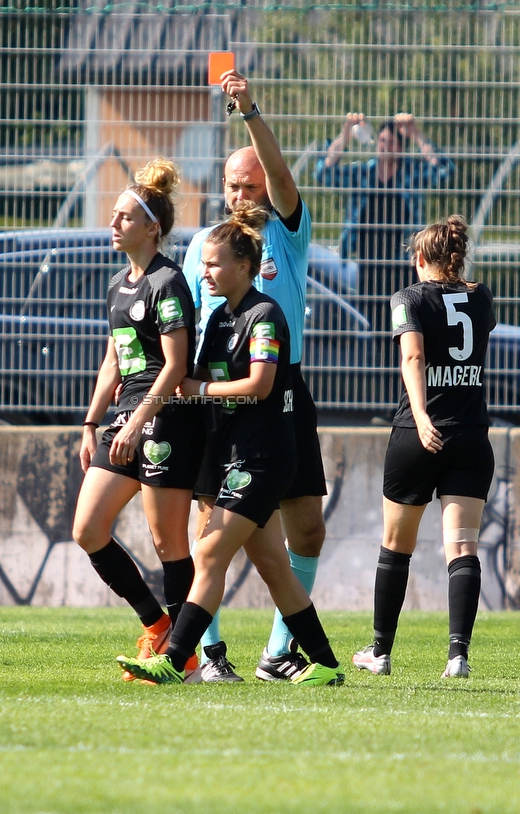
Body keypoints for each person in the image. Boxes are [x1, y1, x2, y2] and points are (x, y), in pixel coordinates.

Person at [116, 204, 344, 687]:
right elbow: (187, 376)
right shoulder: (219, 319)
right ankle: (324, 665)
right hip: (232, 457)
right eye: (204, 264)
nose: (206, 272)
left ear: (245, 265)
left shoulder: (265, 315)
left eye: (215, 264)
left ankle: (174, 661)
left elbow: (259, 385)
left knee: (210, 553)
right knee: (275, 570)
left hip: (264, 459)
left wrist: (198, 390)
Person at [182, 69, 328, 684]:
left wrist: (250, 112)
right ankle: (209, 653)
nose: (243, 195)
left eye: (253, 185)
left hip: (283, 388)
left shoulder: (285, 232)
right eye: (233, 186)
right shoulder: (201, 248)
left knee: (305, 527)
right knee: (212, 525)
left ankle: (281, 651)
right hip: (217, 391)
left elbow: (284, 179)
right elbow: (184, 328)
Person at [72, 159, 204, 681]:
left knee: (168, 542)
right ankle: (156, 626)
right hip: (125, 419)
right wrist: (91, 423)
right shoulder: (117, 285)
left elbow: (174, 366)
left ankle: (184, 655)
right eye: (114, 215)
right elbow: (114, 360)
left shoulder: (167, 282)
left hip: (166, 419)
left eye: (126, 217)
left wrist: (135, 422)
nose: (114, 223)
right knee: (88, 529)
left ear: (153, 227)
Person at [353, 215, 496, 679]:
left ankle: (380, 652)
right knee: (463, 547)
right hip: (471, 434)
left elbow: (412, 355)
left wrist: (420, 417)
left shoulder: (408, 298)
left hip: (421, 435)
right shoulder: (483, 298)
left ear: (420, 259)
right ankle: (458, 656)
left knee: (396, 545)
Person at [315, 114, 455, 378]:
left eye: (391, 142)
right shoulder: (363, 172)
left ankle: (402, 390)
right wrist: (346, 134)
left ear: (401, 147)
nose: (384, 146)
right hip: (369, 265)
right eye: (381, 140)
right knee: (378, 330)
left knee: (406, 328)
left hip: (402, 266)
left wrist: (416, 134)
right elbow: (325, 172)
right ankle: (379, 393)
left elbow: (443, 170)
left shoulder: (411, 173)